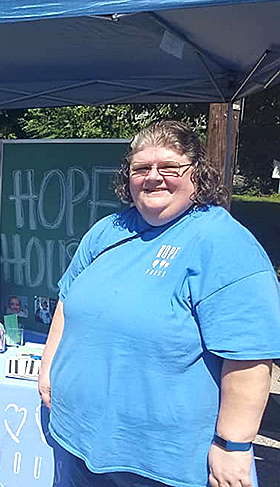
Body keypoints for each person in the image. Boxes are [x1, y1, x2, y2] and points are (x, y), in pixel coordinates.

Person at [38, 120, 280, 487]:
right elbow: (68, 298)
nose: (153, 177)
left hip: (159, 464)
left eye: (169, 167)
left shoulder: (223, 242)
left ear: (196, 175)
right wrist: (48, 367)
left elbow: (249, 354)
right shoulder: (108, 230)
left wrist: (233, 445)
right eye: (141, 168)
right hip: (75, 438)